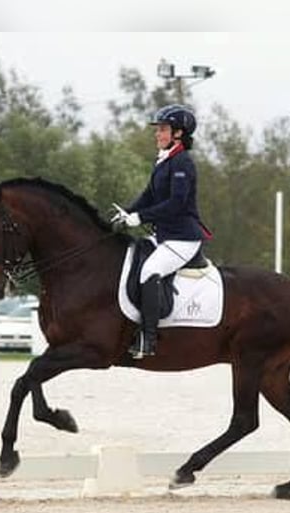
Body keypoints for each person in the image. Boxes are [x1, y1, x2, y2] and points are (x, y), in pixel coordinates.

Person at [111, 103, 211, 358]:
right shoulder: (165, 161)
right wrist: (127, 213)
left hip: (183, 239)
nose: (158, 134)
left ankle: (149, 339)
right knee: (133, 262)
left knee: (149, 271)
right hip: (164, 236)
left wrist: (140, 217)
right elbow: (149, 195)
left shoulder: (182, 163)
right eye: (158, 130)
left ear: (178, 133)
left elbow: (176, 204)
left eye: (163, 130)